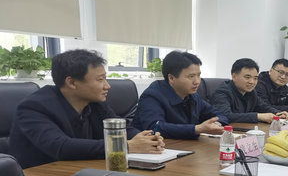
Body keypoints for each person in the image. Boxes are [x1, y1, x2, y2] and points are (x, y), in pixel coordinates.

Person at [9, 49, 164, 169]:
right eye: (100, 80)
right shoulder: (33, 108)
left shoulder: (94, 102)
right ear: (72, 83)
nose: (107, 86)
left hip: (82, 172)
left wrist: (145, 139)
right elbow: (62, 147)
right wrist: (127, 146)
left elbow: (119, 127)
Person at [133, 51, 229, 139]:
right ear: (171, 78)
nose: (197, 81)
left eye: (198, 75)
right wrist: (196, 129)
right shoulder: (152, 96)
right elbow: (155, 128)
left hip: (184, 146)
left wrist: (216, 124)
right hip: (155, 148)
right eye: (191, 76)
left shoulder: (192, 95)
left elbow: (219, 114)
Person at [210, 58, 288, 123]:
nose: (252, 82)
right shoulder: (222, 92)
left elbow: (263, 106)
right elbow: (225, 116)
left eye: (255, 78)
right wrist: (258, 116)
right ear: (234, 76)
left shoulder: (251, 92)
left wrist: (278, 113)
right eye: (247, 77)